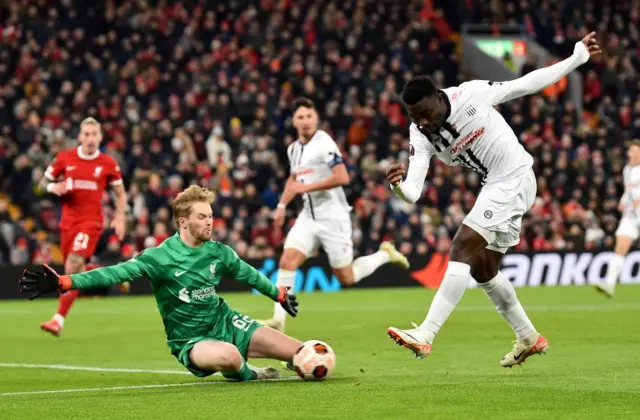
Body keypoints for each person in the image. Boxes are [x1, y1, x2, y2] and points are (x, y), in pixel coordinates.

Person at [384, 33, 601, 367]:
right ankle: (529, 337)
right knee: (484, 269)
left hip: (515, 175)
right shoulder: (420, 133)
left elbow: (526, 84)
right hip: (495, 184)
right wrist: (398, 187)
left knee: (461, 246)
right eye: (415, 117)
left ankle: (425, 334)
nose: (423, 122)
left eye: (426, 113)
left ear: (439, 99)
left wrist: (576, 59)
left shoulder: (472, 93)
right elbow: (413, 192)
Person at [19, 185, 303, 381]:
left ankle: (277, 358)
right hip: (191, 341)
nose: (210, 222)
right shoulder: (159, 257)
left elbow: (248, 274)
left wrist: (277, 294)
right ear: (182, 222)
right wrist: (64, 282)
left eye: (211, 216)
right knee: (229, 357)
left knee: (303, 352)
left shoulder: (219, 252)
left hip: (227, 323)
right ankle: (253, 373)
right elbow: (112, 273)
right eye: (202, 217)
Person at [260, 97, 410, 332]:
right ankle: (279, 319)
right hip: (308, 218)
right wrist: (281, 206)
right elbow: (293, 178)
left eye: (309, 116)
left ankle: (384, 254)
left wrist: (305, 188)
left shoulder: (324, 143)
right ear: (294, 121)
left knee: (346, 278)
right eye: (300, 117)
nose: (306, 121)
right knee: (287, 260)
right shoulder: (293, 149)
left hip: (334, 218)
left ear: (316, 118)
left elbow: (342, 177)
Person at [39, 117, 128, 337]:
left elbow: (120, 193)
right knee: (77, 271)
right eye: (86, 134)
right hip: (67, 223)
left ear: (100, 137)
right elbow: (41, 183)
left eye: (94, 134)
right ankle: (117, 275)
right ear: (79, 136)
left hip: (91, 222)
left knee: (72, 267)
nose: (90, 139)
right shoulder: (64, 158)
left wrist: (119, 218)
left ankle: (58, 320)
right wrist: (53, 187)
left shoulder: (107, 163)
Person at [597, 141, 640, 297]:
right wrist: (623, 202)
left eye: (636, 152)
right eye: (631, 152)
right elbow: (628, 191)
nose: (633, 155)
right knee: (620, 246)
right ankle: (609, 284)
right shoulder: (627, 170)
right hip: (631, 214)